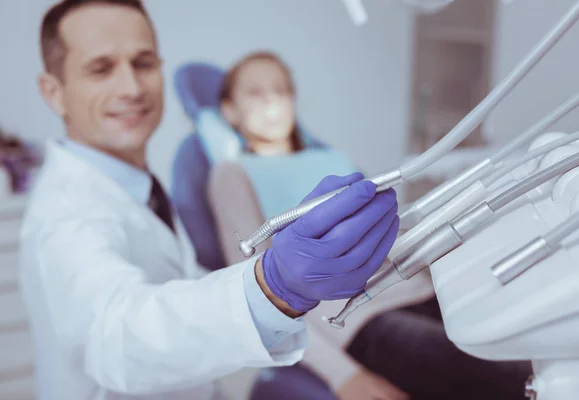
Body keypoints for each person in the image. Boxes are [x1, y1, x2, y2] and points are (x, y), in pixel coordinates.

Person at [17, 1, 400, 399]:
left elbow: (184, 290)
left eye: (144, 63)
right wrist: (273, 285)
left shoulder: (138, 186)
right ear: (54, 92)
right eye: (101, 69)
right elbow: (119, 338)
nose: (131, 88)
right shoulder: (64, 219)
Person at [204, 51, 533, 400]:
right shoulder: (232, 173)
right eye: (255, 92)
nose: (272, 101)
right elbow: (254, 295)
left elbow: (389, 224)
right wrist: (346, 377)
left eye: (281, 90)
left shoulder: (332, 159)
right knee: (516, 377)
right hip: (356, 316)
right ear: (229, 110)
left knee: (535, 343)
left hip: (419, 286)